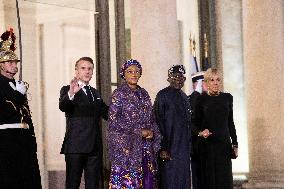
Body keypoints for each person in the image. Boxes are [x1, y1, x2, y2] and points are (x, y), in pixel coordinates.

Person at [108, 59, 161, 189]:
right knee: (129, 183)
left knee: (147, 181)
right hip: (127, 151)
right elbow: (114, 122)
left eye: (137, 71)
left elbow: (152, 118)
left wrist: (152, 133)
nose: (134, 74)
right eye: (130, 71)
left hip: (145, 148)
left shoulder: (144, 94)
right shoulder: (119, 94)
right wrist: (138, 132)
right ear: (123, 74)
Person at [0, 29, 42, 188]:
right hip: (6, 140)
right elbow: (4, 111)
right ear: (1, 65)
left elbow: (25, 115)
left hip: (24, 140)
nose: (14, 65)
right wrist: (18, 94)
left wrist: (32, 139)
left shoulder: (18, 85)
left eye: (15, 62)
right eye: (9, 62)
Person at [59, 57, 108, 189]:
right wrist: (71, 93)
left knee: (93, 185)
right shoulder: (67, 89)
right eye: (83, 68)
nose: (87, 71)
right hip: (75, 146)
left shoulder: (95, 93)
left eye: (90, 69)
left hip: (94, 148)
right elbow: (63, 106)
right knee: (72, 184)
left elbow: (108, 114)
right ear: (76, 71)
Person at [192, 68, 238, 189]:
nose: (215, 82)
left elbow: (230, 122)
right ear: (206, 82)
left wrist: (235, 144)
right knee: (209, 181)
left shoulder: (228, 98)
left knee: (224, 181)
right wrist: (200, 133)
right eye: (212, 80)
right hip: (207, 146)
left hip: (224, 146)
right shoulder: (201, 99)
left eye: (218, 80)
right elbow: (193, 124)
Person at [154, 65, 192, 189]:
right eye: (175, 76)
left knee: (183, 182)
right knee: (169, 182)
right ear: (168, 78)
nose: (178, 79)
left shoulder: (184, 97)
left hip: (183, 151)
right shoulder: (162, 95)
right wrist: (162, 148)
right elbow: (157, 121)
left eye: (181, 77)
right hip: (169, 150)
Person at [189, 71, 206, 189]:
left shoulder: (209, 98)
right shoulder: (192, 98)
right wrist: (196, 92)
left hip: (209, 147)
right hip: (196, 146)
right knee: (198, 180)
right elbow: (191, 121)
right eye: (205, 82)